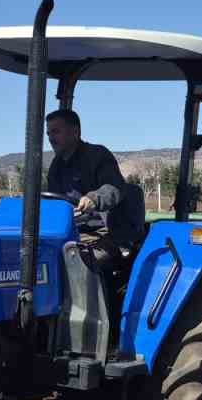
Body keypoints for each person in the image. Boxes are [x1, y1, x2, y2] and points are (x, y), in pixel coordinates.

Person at [44, 108, 144, 275]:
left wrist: (94, 199)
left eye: (56, 132)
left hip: (104, 233)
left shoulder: (97, 156)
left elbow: (114, 187)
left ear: (75, 132)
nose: (51, 139)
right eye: (48, 134)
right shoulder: (56, 167)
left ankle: (84, 301)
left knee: (77, 263)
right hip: (70, 232)